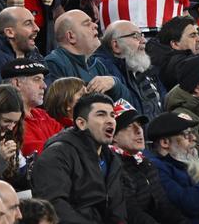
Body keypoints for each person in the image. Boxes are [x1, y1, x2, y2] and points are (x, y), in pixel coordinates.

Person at [30, 93, 127, 223]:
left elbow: (118, 207)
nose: (110, 120)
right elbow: (53, 205)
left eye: (112, 115)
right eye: (101, 114)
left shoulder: (113, 159)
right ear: (81, 123)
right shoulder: (56, 155)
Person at [111, 99, 188, 224]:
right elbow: (130, 212)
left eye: (139, 125)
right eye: (129, 126)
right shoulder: (113, 166)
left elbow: (163, 205)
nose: (139, 130)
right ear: (113, 135)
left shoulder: (145, 163)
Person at [144, 112, 199, 224]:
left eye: (192, 133)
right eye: (186, 135)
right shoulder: (155, 167)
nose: (194, 138)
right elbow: (190, 202)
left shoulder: (185, 162)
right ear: (165, 142)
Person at [94, 20, 164, 120]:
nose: (144, 41)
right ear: (116, 45)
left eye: (142, 35)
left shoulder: (142, 65)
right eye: (136, 36)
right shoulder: (103, 67)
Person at [0, 59, 59, 157]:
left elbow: (68, 139)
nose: (44, 86)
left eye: (43, 80)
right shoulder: (9, 121)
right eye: (37, 79)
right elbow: (39, 153)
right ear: (17, 83)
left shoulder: (42, 114)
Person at [0, 7, 42, 88]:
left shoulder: (35, 54)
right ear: (9, 32)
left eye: (34, 22)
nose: (37, 28)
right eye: (28, 23)